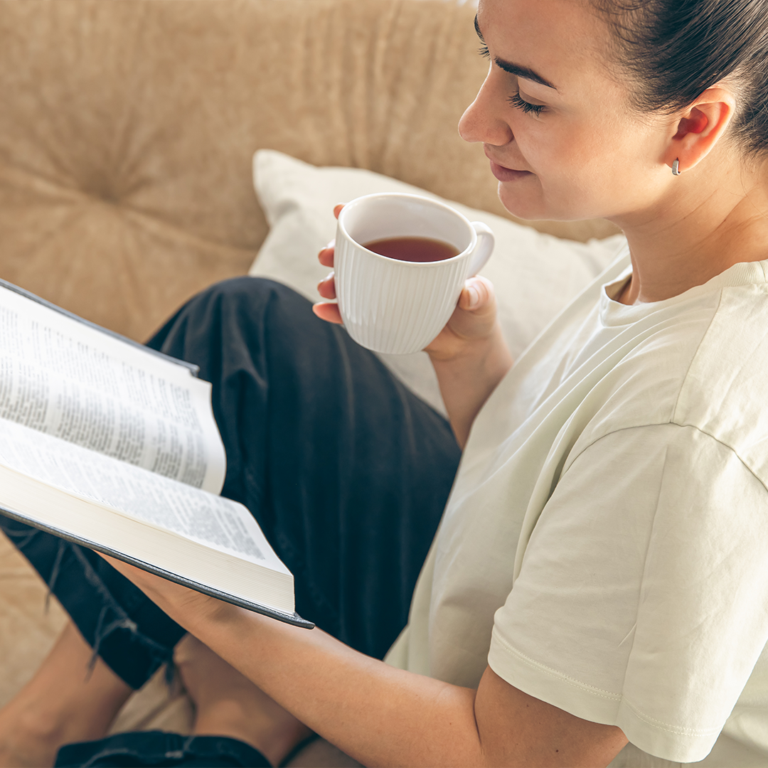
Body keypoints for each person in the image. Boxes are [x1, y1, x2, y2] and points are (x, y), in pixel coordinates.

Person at [2, 0, 768, 764]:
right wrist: (470, 361)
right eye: (487, 63)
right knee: (250, 339)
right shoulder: (678, 241)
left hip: (487, 732)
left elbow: (510, 756)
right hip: (480, 617)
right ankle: (60, 712)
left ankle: (241, 726)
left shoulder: (686, 423)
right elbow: (554, 501)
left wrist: (220, 613)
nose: (474, 122)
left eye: (528, 98)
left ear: (691, 127)